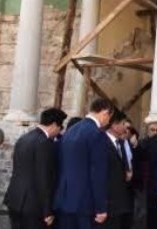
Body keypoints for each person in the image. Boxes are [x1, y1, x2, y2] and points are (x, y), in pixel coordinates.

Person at [54, 98, 114, 229]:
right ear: (105, 113)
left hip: (64, 199)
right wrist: (101, 207)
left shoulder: (70, 131)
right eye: (109, 117)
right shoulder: (97, 134)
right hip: (86, 204)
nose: (109, 121)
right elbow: (98, 173)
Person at [4, 108, 67, 229]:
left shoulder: (24, 138)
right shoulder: (45, 143)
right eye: (61, 127)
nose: (60, 131)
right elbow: (44, 178)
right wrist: (47, 210)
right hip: (33, 205)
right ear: (54, 124)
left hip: (15, 199)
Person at [104, 111, 134, 229]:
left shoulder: (121, 143)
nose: (125, 128)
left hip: (119, 201)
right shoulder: (102, 142)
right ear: (114, 125)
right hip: (107, 201)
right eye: (123, 124)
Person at [135, 121, 157, 229]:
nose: (155, 133)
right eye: (152, 130)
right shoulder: (141, 144)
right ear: (147, 131)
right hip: (142, 183)